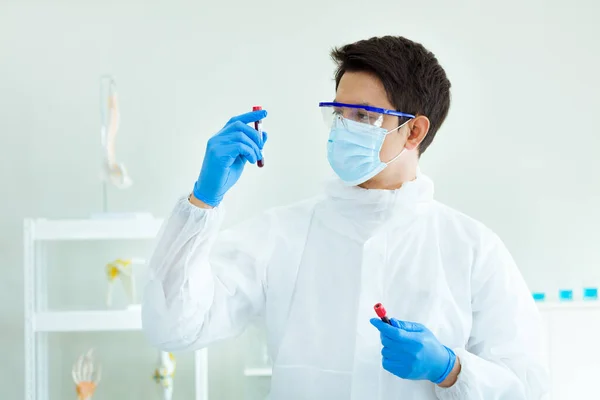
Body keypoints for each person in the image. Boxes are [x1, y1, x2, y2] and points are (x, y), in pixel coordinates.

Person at [141, 35, 549, 399]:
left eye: (365, 116)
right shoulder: (282, 234)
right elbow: (175, 327)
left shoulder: (472, 248)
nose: (344, 129)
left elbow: (527, 386)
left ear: (414, 132)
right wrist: (203, 201)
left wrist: (450, 370)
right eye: (339, 113)